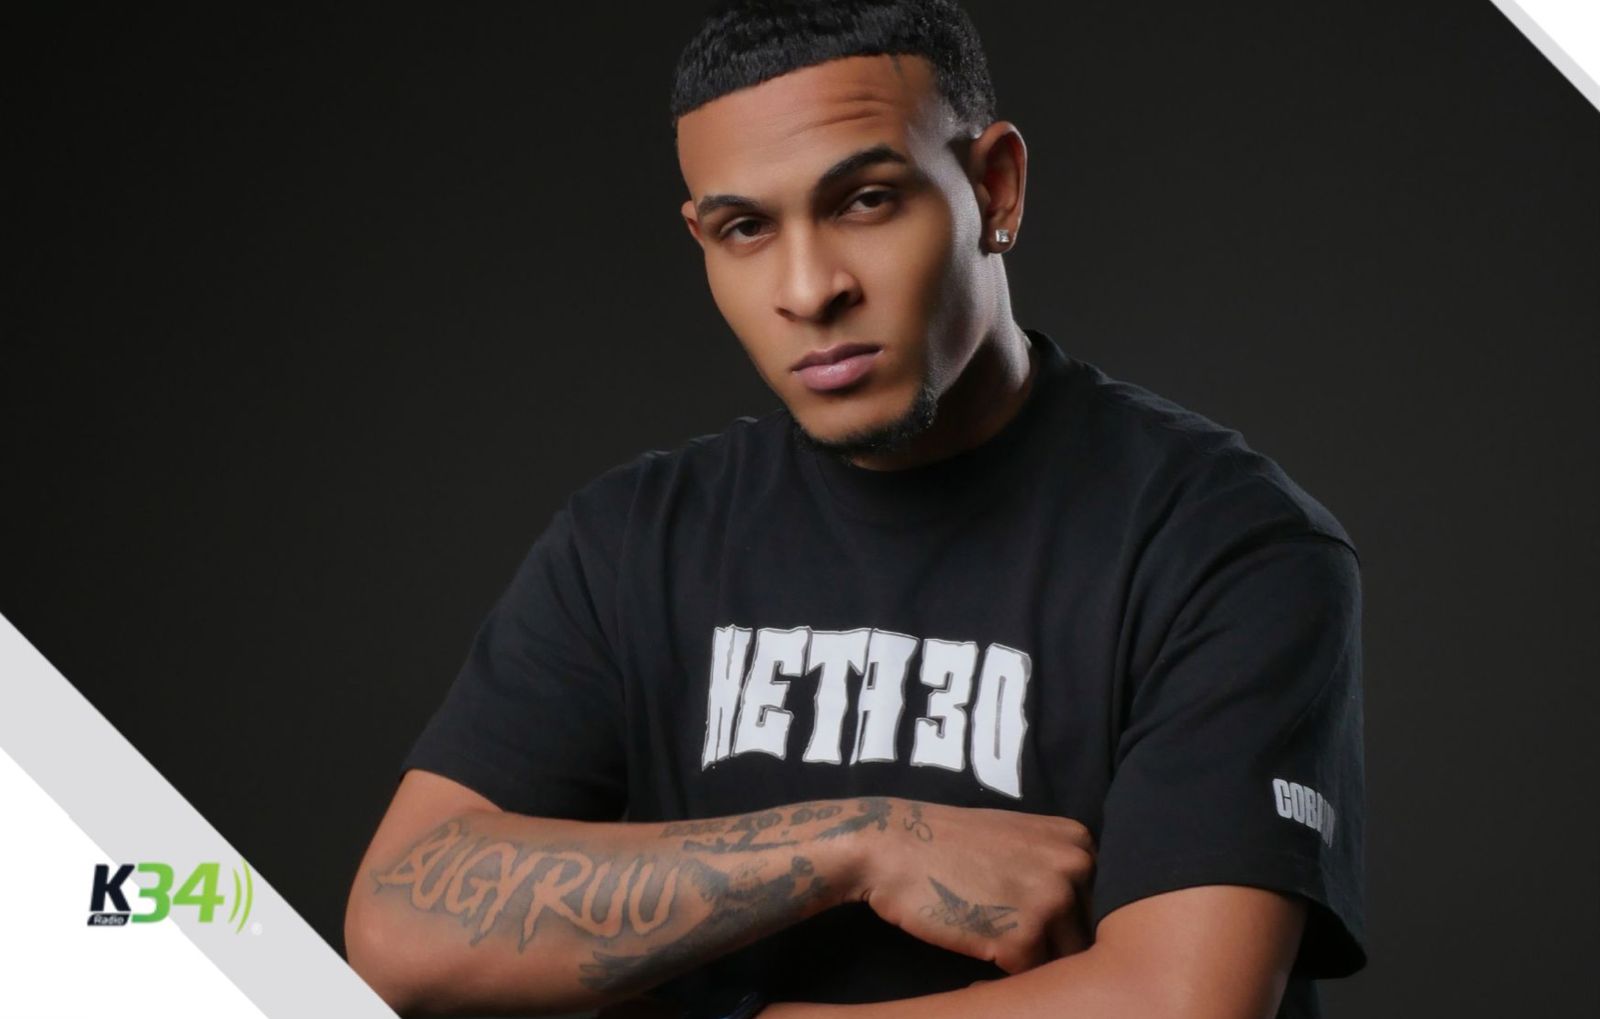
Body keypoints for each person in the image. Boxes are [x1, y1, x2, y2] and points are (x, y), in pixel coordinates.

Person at [344, 2, 1367, 1017]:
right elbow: (397, 929)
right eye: (746, 228)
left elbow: (1179, 1002)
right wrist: (861, 842)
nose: (807, 288)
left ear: (995, 189)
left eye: (867, 200)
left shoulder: (1222, 540)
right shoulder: (631, 541)